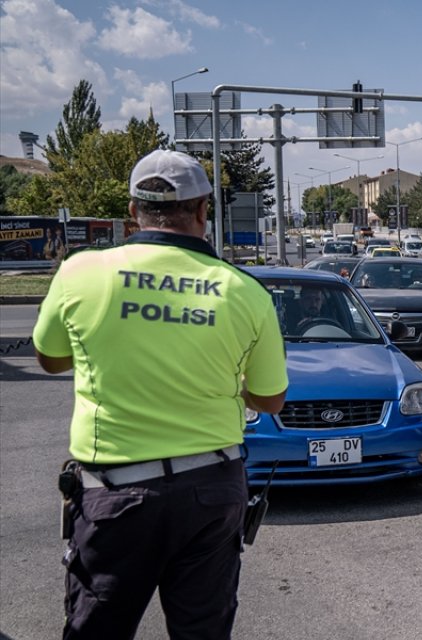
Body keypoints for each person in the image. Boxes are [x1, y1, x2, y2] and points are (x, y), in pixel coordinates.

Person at [32, 149, 289, 639]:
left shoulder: (82, 272)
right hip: (212, 489)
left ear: (133, 211)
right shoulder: (244, 291)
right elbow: (270, 399)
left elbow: (50, 358)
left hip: (114, 492)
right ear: (202, 211)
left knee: (96, 629)